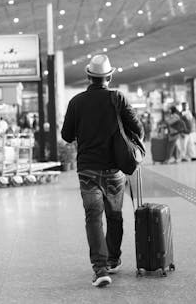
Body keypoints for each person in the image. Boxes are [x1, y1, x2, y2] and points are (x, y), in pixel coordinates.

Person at [61, 54, 143, 288]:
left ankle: (100, 269)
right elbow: (137, 129)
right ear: (109, 76)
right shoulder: (117, 98)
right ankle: (113, 258)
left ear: (88, 76)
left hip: (87, 169)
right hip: (114, 169)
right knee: (114, 215)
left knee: (93, 217)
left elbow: (66, 136)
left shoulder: (76, 102)